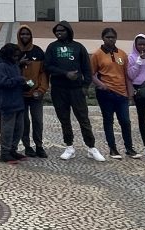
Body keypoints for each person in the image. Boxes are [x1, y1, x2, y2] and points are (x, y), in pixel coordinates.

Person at [45, 22, 105, 162]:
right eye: (57, 31)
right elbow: (48, 66)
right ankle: (69, 146)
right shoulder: (52, 47)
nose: (59, 33)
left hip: (76, 89)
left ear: (69, 31)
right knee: (64, 119)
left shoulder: (78, 47)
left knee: (83, 119)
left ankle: (91, 147)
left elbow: (87, 69)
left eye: (62, 30)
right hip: (59, 89)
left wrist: (85, 86)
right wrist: (65, 73)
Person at [92, 27, 138, 159]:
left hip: (122, 93)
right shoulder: (97, 54)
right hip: (106, 93)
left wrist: (130, 94)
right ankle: (113, 149)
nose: (110, 39)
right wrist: (101, 85)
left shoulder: (122, 54)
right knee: (108, 120)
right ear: (103, 38)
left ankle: (129, 148)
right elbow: (91, 74)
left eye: (113, 37)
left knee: (125, 121)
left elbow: (127, 75)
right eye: (108, 37)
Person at [16, 25, 49, 158]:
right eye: (22, 34)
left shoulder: (38, 51)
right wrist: (18, 63)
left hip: (36, 94)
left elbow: (43, 73)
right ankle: (27, 146)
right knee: (24, 122)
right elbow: (7, 69)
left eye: (27, 34)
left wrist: (41, 90)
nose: (25, 36)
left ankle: (39, 146)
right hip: (20, 95)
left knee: (37, 120)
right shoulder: (14, 51)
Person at [0, 43, 27, 163]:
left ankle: (13, 150)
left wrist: (25, 84)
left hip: (18, 101)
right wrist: (19, 80)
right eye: (14, 56)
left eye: (17, 56)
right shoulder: (2, 66)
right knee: (7, 129)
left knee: (19, 129)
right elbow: (3, 82)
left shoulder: (15, 65)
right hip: (7, 103)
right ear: (8, 55)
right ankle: (5, 153)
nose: (16, 58)